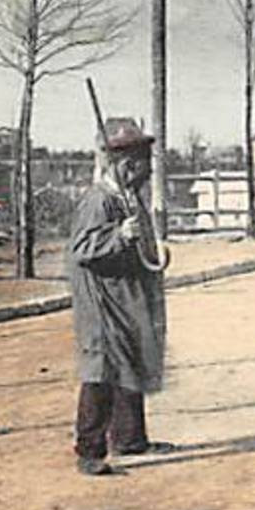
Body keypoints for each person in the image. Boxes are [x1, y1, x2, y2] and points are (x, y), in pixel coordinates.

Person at [69, 117, 173, 476]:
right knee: (101, 370)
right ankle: (89, 451)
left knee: (130, 363)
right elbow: (82, 249)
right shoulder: (99, 201)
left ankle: (130, 440)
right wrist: (119, 235)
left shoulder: (128, 198)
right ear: (128, 164)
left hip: (125, 299)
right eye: (144, 165)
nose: (147, 173)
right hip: (101, 302)